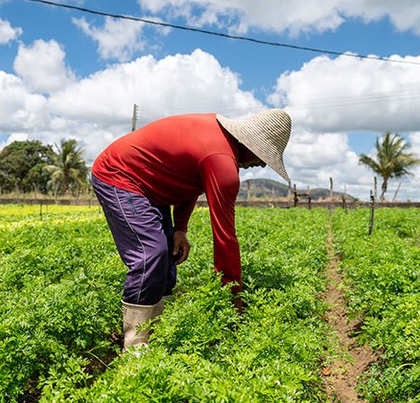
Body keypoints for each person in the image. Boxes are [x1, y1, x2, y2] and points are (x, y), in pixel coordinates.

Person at [91, 109, 292, 349]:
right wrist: (234, 304)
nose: (260, 165)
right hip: (120, 175)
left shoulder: (217, 143)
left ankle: (159, 328)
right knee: (151, 254)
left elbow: (187, 182)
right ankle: (135, 344)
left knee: (167, 257)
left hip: (153, 186)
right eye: (263, 157)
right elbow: (225, 240)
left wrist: (180, 229)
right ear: (250, 145)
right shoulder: (220, 160)